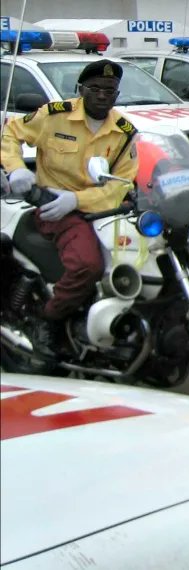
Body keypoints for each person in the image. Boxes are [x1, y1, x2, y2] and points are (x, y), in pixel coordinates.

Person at [1, 60, 139, 358]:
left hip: (103, 211)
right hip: (55, 210)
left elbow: (123, 183)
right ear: (81, 90)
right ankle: (48, 320)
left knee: (143, 259)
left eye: (110, 90)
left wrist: (79, 199)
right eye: (95, 89)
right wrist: (15, 170)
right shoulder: (55, 116)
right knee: (88, 266)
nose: (103, 95)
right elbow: (11, 133)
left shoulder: (124, 131)